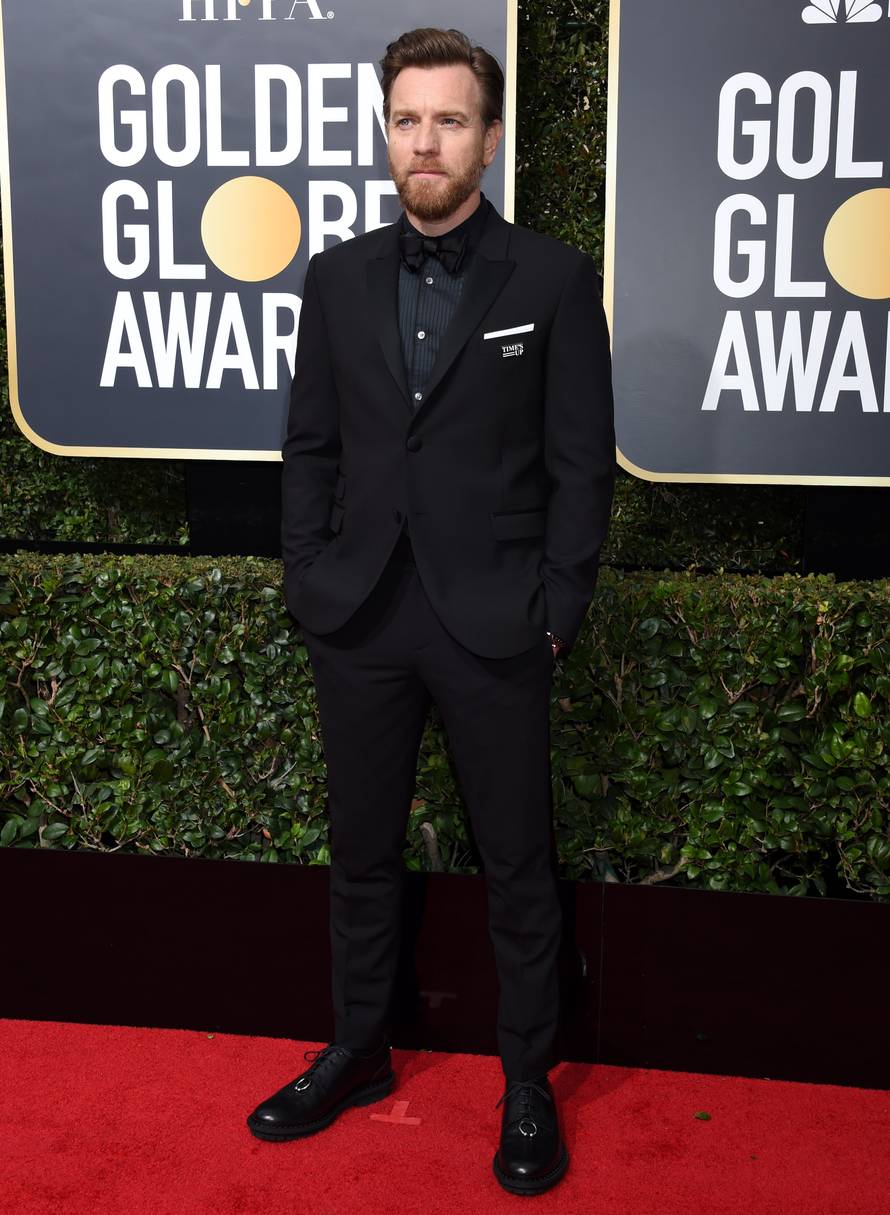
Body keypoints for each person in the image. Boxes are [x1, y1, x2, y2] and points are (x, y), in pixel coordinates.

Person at [247, 26, 615, 1197]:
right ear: (385, 132)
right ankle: (358, 1049)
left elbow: (580, 466)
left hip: (496, 621)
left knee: (517, 864)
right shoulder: (336, 277)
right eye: (406, 119)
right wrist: (308, 576)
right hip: (358, 616)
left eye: (449, 120)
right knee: (360, 853)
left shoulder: (550, 279)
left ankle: (526, 1083)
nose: (424, 141)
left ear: (487, 140)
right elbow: (309, 446)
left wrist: (556, 609)